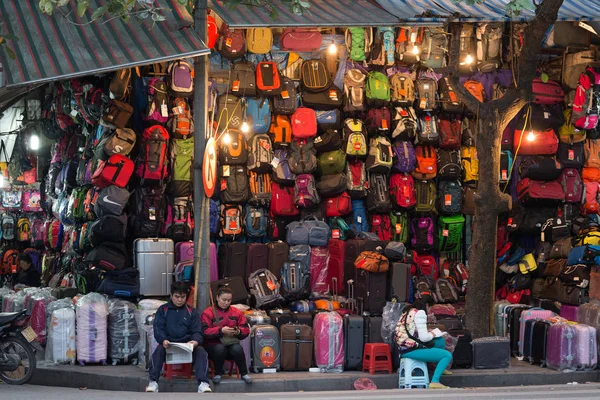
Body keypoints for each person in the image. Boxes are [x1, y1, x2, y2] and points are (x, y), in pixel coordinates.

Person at [146, 282, 212, 393]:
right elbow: (158, 328)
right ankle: (153, 382)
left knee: (201, 351)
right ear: (171, 295)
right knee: (158, 351)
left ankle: (203, 383)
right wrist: (163, 340)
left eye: (182, 297)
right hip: (168, 343)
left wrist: (195, 341)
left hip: (187, 344)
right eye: (177, 297)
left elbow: (197, 330)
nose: (180, 300)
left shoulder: (192, 312)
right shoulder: (163, 310)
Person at [395, 300, 453, 389]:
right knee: (446, 355)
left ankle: (440, 367)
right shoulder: (420, 313)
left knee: (440, 341)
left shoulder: (408, 312)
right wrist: (433, 334)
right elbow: (424, 338)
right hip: (410, 349)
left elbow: (411, 331)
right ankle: (435, 381)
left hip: (405, 346)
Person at [201, 286, 252, 384]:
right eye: (224, 300)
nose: (226, 303)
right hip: (213, 346)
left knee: (237, 349)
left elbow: (245, 329)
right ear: (217, 298)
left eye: (229, 300)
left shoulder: (236, 312)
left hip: (231, 343)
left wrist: (238, 331)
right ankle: (218, 373)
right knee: (220, 348)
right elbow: (204, 331)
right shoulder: (208, 312)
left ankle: (244, 373)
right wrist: (221, 330)